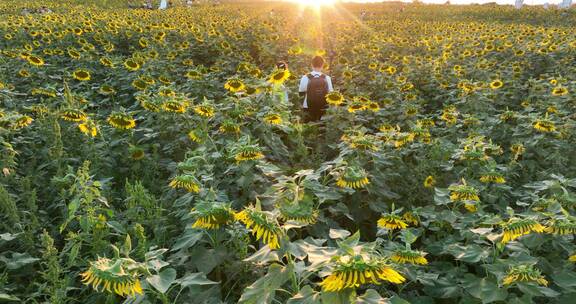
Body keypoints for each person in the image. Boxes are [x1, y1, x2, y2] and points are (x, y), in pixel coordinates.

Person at [299, 56, 333, 122]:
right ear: (322, 65)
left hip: (308, 106)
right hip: (323, 106)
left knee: (309, 127)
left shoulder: (305, 77)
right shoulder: (327, 78)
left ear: (311, 64)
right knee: (321, 127)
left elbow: (301, 92)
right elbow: (331, 93)